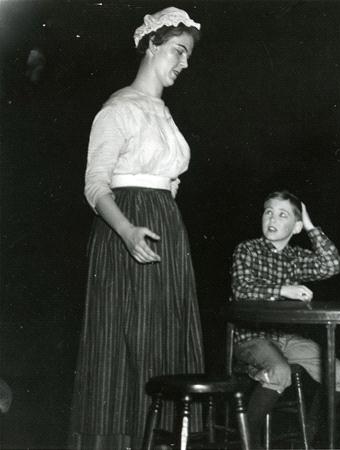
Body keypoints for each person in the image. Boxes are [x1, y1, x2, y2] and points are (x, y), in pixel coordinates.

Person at [69, 7, 205, 449]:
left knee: (164, 342)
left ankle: (162, 440)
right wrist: (128, 231)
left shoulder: (163, 113)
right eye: (177, 52)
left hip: (165, 228)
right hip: (126, 230)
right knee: (125, 343)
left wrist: (165, 200)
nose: (183, 64)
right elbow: (95, 185)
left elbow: (168, 177)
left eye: (188, 56)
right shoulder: (118, 109)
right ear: (152, 45)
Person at [231, 190, 340, 448]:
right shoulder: (248, 250)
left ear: (295, 226)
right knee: (279, 372)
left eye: (282, 214)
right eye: (268, 212)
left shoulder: (296, 257)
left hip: (287, 339)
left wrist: (309, 225)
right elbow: (242, 289)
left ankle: (308, 436)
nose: (272, 219)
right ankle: (244, 442)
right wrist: (283, 290)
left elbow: (332, 265)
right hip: (252, 338)